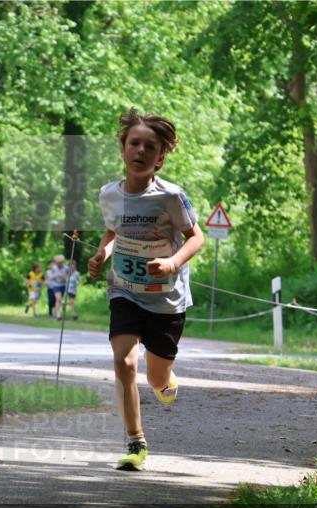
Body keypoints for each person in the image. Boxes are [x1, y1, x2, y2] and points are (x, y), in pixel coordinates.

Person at [87, 108, 205, 471]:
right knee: (123, 361)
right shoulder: (109, 195)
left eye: (149, 147)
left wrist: (172, 263)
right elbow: (112, 231)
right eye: (133, 143)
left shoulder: (171, 196)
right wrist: (102, 254)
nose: (140, 151)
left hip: (166, 298)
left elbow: (196, 237)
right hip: (125, 290)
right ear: (122, 149)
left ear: (160, 157)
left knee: (156, 378)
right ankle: (135, 441)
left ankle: (166, 381)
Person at [45, 254, 69, 319]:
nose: (58, 264)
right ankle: (58, 314)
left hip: (62, 285)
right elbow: (50, 276)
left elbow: (68, 277)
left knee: (58, 300)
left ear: (62, 262)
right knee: (58, 298)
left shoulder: (66, 268)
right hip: (55, 285)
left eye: (60, 263)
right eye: (57, 263)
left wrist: (64, 278)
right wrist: (54, 276)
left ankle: (57, 313)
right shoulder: (54, 268)